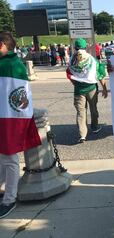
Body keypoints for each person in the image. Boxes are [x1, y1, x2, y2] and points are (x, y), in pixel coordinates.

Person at [0, 31, 41, 218]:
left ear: (2, 45)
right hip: (9, 116)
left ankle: (9, 199)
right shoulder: (13, 64)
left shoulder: (8, 65)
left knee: (9, 158)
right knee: (4, 158)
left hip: (8, 118)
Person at [66, 38, 108, 143]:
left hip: (78, 90)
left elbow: (69, 74)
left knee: (81, 112)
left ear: (75, 47)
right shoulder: (92, 60)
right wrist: (104, 89)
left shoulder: (72, 60)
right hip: (91, 88)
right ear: (86, 47)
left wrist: (75, 84)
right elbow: (100, 75)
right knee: (93, 109)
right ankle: (94, 127)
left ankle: (82, 135)